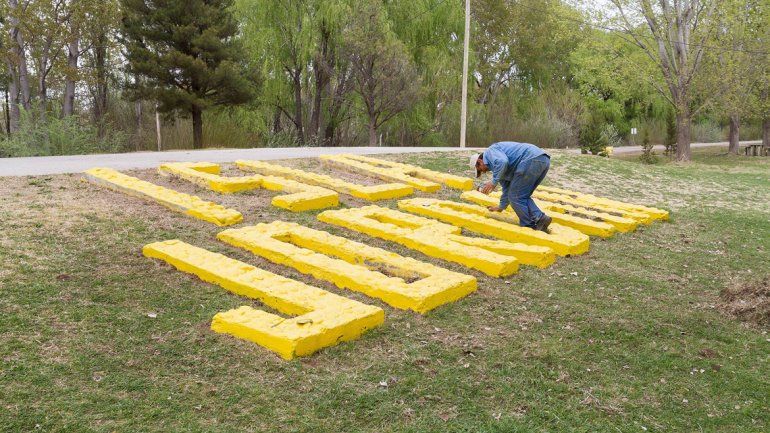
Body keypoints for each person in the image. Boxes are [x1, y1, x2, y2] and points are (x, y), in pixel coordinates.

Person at [469, 141, 552, 232]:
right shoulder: (498, 169)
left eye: (480, 170)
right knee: (522, 195)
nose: (483, 172)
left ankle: (529, 226)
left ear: (480, 161)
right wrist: (501, 207)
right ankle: (540, 219)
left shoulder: (490, 152)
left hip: (530, 159)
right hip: (543, 159)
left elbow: (503, 161)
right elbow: (507, 189)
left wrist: (493, 182)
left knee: (515, 197)